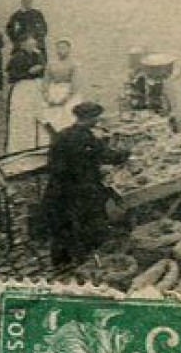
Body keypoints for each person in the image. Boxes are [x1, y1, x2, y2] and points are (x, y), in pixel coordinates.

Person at [40, 102, 130, 265]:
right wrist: (126, 151)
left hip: (57, 186)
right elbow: (111, 157)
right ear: (89, 119)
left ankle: (61, 259)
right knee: (87, 218)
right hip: (79, 189)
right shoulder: (86, 138)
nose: (98, 121)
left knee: (63, 223)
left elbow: (54, 163)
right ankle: (88, 252)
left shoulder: (63, 134)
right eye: (96, 118)